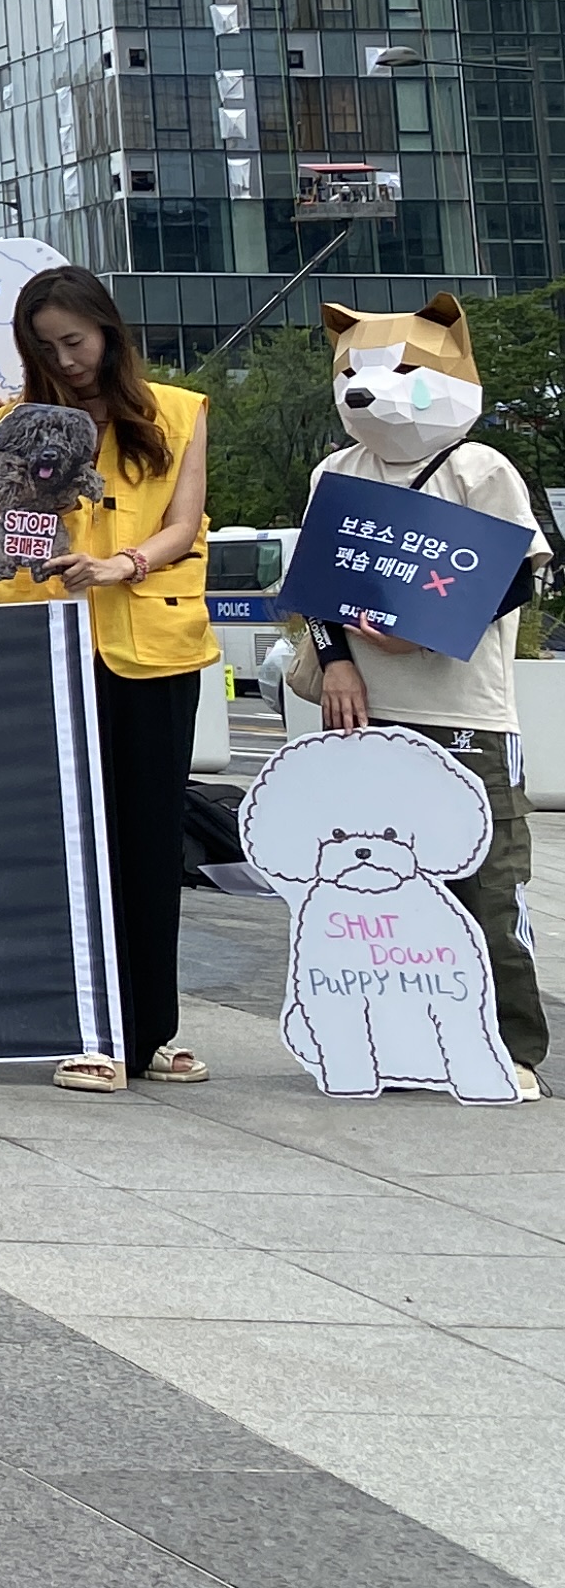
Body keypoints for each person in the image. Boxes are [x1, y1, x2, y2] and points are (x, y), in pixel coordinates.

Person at [296, 298, 547, 1098]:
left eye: (402, 370)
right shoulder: (334, 474)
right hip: (364, 705)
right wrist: (338, 662)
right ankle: (394, 1036)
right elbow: (318, 586)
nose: (373, 389)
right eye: (357, 373)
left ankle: (511, 1044)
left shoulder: (483, 469)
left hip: (465, 709)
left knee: (485, 881)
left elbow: (519, 573)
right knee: (368, 881)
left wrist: (428, 631)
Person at [0, 266, 210, 1093]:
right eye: (45, 347)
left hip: (154, 644)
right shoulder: (15, 425)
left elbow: (185, 524)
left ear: (108, 332)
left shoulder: (180, 412)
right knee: (75, 844)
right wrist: (38, 538)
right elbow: (16, 529)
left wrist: (122, 563)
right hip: (59, 649)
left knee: (151, 843)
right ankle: (88, 1029)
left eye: (74, 342)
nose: (66, 360)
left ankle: (153, 1029)